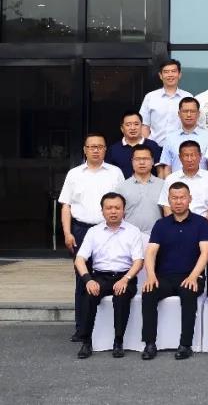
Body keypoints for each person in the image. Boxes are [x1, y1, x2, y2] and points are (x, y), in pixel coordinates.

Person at [60, 132, 125, 341]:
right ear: (85, 150)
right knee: (83, 278)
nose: (96, 150)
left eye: (100, 146)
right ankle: (82, 328)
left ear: (105, 149)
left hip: (109, 230)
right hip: (81, 229)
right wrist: (67, 232)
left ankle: (110, 329)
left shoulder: (115, 173)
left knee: (109, 274)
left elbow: (123, 204)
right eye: (91, 147)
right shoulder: (74, 174)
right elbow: (66, 206)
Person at [141, 182, 208, 360]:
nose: (178, 201)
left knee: (188, 292)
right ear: (169, 200)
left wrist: (193, 276)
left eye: (182, 198)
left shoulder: (201, 223)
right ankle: (149, 344)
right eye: (174, 198)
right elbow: (150, 252)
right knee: (148, 292)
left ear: (190, 199)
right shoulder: (161, 224)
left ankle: (185, 345)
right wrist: (151, 275)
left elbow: (206, 253)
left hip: (192, 276)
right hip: (164, 277)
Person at [73, 192, 144, 359]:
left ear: (124, 210)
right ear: (102, 211)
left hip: (125, 276)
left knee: (121, 296)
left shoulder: (133, 231)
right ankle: (86, 341)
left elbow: (138, 261)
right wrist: (88, 280)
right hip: (100, 277)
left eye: (117, 208)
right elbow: (79, 259)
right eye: (109, 208)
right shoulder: (93, 232)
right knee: (89, 294)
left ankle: (118, 341)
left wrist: (125, 279)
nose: (113, 211)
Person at [158, 140, 208, 225]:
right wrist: (174, 227)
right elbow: (166, 206)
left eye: (193, 155)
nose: (189, 159)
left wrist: (206, 229)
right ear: (180, 157)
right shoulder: (170, 179)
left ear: (200, 156)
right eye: (186, 156)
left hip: (202, 226)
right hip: (176, 226)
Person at [116, 144, 165, 235]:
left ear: (152, 161)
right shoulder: (121, 187)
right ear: (132, 161)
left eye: (146, 159)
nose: (142, 162)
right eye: (137, 159)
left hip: (157, 236)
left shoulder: (163, 185)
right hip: (129, 236)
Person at [139, 59, 192, 139]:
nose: (170, 75)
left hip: (180, 145)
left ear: (179, 74)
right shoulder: (150, 97)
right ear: (160, 75)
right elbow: (144, 125)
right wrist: (149, 144)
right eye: (166, 72)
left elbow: (192, 125)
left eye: (173, 71)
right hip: (155, 145)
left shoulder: (188, 97)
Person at [158, 97, 208, 175]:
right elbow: (167, 167)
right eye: (185, 111)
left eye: (192, 111)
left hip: (202, 182)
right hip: (177, 182)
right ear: (179, 114)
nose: (189, 115)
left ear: (198, 114)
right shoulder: (170, 138)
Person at [105, 111, 163, 178]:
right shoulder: (113, 149)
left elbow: (160, 171)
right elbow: (108, 173)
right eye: (128, 125)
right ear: (122, 129)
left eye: (136, 124)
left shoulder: (153, 146)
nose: (133, 128)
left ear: (141, 126)